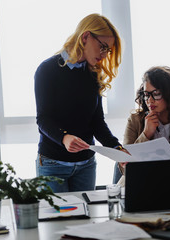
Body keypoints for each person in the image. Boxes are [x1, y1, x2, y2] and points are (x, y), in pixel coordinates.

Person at [34, 13, 124, 193]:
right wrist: (64, 138)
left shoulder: (93, 74)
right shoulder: (47, 70)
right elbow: (43, 119)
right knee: (58, 221)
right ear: (85, 37)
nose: (105, 55)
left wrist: (117, 149)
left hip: (86, 166)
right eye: (103, 47)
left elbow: (97, 122)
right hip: (53, 165)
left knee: (86, 221)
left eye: (109, 50)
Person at [113, 66, 170, 184]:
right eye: (146, 94)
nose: (149, 100)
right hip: (135, 186)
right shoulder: (134, 121)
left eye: (156, 93)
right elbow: (125, 168)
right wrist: (146, 134)